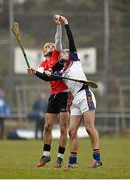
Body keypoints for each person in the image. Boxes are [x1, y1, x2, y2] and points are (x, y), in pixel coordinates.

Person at [49, 16, 102, 168]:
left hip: (85, 94)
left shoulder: (75, 61)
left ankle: (97, 158)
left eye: (66, 52)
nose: (64, 52)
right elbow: (49, 75)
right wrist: (42, 73)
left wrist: (66, 24)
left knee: (89, 128)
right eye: (62, 53)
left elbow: (71, 41)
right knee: (72, 131)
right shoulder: (60, 70)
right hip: (74, 100)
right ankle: (73, 162)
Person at [27, 15, 72, 168]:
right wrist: (34, 71)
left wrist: (58, 25)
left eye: (51, 46)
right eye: (47, 47)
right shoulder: (43, 63)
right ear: (44, 51)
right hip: (53, 96)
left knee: (63, 127)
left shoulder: (57, 54)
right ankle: (46, 155)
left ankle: (59, 157)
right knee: (47, 127)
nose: (50, 47)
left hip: (65, 94)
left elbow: (58, 39)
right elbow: (41, 74)